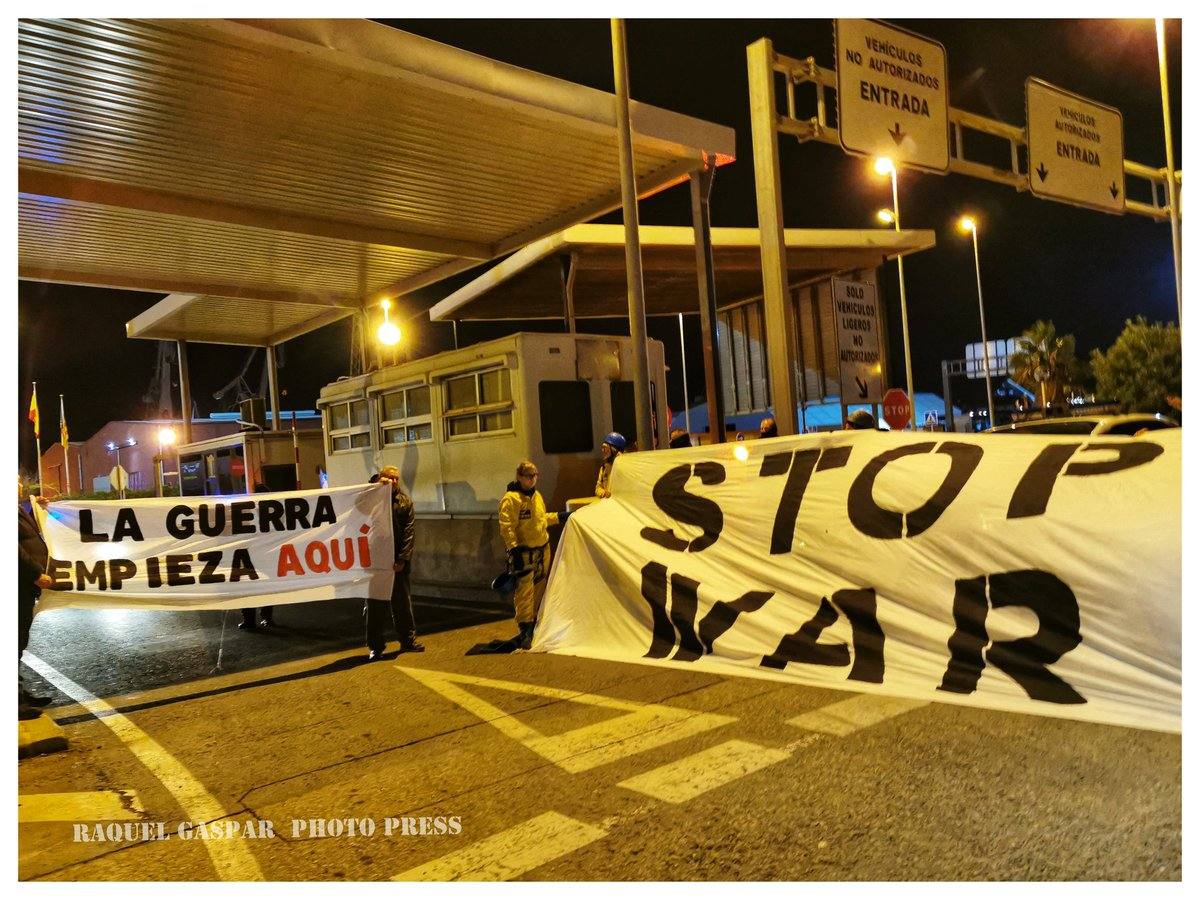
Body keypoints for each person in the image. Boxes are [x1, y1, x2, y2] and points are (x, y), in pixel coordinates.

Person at [499, 461, 571, 650]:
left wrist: (558, 517)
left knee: (539, 589)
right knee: (524, 593)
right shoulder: (511, 499)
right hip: (524, 553)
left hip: (542, 550)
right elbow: (507, 527)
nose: (533, 479)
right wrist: (513, 549)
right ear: (520, 477)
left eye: (535, 475)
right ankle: (525, 629)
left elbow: (540, 519)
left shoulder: (536, 496)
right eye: (529, 476)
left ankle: (535, 625)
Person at [365, 466, 423, 660]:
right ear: (381, 478)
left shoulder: (404, 502)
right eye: (390, 478)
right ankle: (375, 646)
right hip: (375, 561)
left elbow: (409, 532)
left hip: (397, 562)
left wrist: (403, 559)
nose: (394, 482)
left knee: (402, 604)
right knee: (375, 605)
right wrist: (376, 485)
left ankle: (408, 641)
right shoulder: (370, 497)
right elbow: (357, 507)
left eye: (397, 478)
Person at [18, 489, 53, 719]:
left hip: (23, 586)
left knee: (18, 641)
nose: (20, 485)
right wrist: (35, 573)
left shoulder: (18, 508)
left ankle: (18, 694)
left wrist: (36, 509)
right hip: (18, 583)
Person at [239, 483, 276, 631]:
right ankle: (262, 618)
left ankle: (252, 619)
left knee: (250, 588)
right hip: (257, 556)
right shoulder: (247, 511)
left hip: (257, 556)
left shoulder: (269, 512)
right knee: (258, 588)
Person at [595, 432, 626, 499]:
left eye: (605, 448)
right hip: (607, 503)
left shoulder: (624, 466)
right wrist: (603, 493)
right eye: (602, 447)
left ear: (614, 450)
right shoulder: (604, 468)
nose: (603, 450)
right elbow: (598, 487)